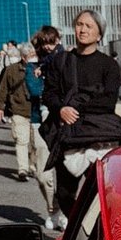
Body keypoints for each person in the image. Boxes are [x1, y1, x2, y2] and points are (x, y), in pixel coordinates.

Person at [53, 9, 121, 218]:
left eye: (88, 26)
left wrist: (77, 107)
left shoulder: (108, 65)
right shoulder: (62, 61)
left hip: (99, 137)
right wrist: (61, 108)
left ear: (99, 34)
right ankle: (78, 227)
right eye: (79, 24)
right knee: (64, 194)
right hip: (69, 135)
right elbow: (50, 93)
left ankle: (95, 234)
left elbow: (109, 100)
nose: (82, 29)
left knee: (100, 194)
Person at [33, 24, 67, 229]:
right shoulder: (40, 61)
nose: (47, 47)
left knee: (65, 172)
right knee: (43, 173)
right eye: (44, 43)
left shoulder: (64, 58)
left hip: (60, 118)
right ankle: (53, 209)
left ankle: (61, 212)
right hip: (42, 118)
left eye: (51, 43)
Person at [0, 44, 35, 182]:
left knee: (35, 143)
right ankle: (23, 169)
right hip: (18, 110)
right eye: (30, 56)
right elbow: (3, 89)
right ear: (23, 57)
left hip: (36, 111)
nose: (33, 58)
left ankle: (32, 166)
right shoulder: (12, 70)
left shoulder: (40, 68)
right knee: (21, 141)